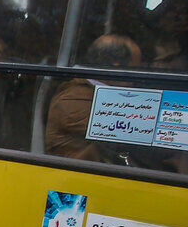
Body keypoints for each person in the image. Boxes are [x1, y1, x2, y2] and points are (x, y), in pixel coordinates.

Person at [45, 34, 143, 163]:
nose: (136, 79)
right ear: (117, 67)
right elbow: (127, 132)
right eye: (134, 69)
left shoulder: (101, 93)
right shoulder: (73, 98)